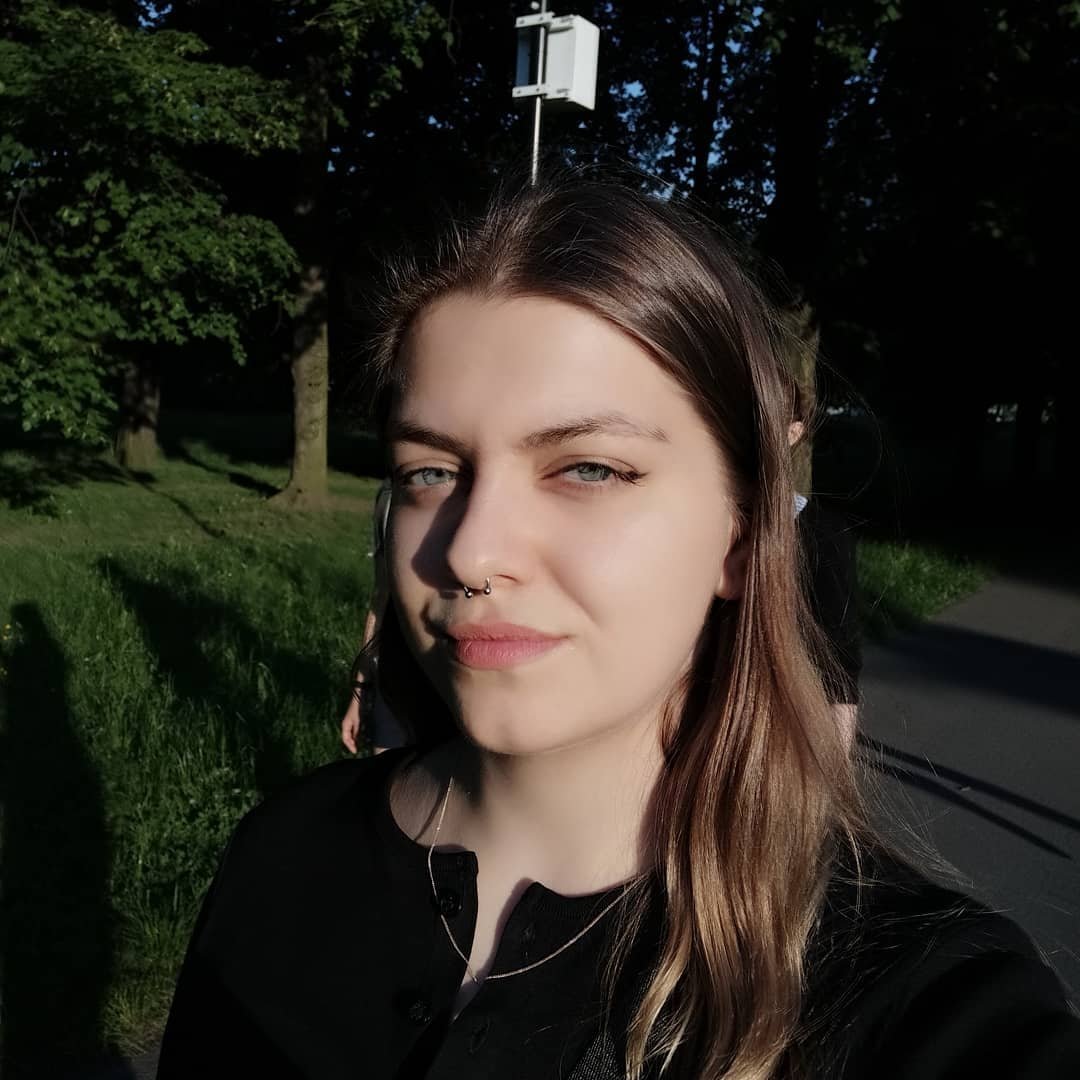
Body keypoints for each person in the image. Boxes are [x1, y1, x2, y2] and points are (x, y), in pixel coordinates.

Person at [157, 177, 1080, 1079]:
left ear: (740, 532)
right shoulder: (281, 859)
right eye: (429, 472)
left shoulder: (915, 1000)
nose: (471, 552)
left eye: (589, 469)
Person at [340, 479, 408, 755]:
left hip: (449, 682)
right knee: (386, 770)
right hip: (394, 673)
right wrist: (359, 692)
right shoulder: (389, 497)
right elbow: (380, 598)